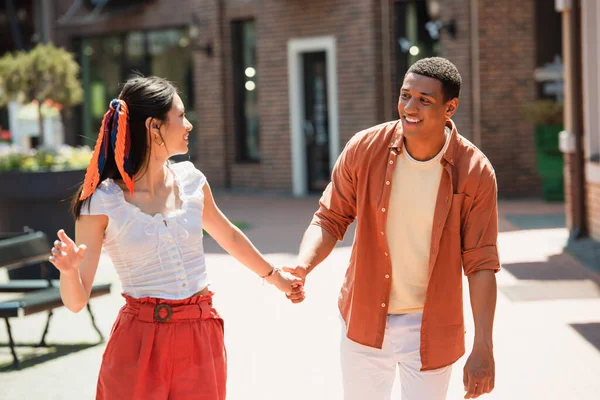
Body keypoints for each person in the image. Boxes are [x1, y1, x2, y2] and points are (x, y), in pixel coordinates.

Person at [48, 75, 303, 400]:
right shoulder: (101, 202)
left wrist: (274, 276)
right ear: (155, 127)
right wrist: (69, 271)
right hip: (139, 342)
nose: (189, 125)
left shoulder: (191, 181)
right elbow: (76, 302)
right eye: (180, 116)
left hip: (200, 332)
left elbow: (229, 236)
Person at [284, 57, 499, 400]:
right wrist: (303, 265)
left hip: (432, 326)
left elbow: (481, 262)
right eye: (405, 95)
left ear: (450, 107)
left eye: (424, 100)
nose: (409, 107)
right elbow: (329, 217)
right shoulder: (365, 148)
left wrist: (483, 346)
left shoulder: (474, 170)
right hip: (365, 318)